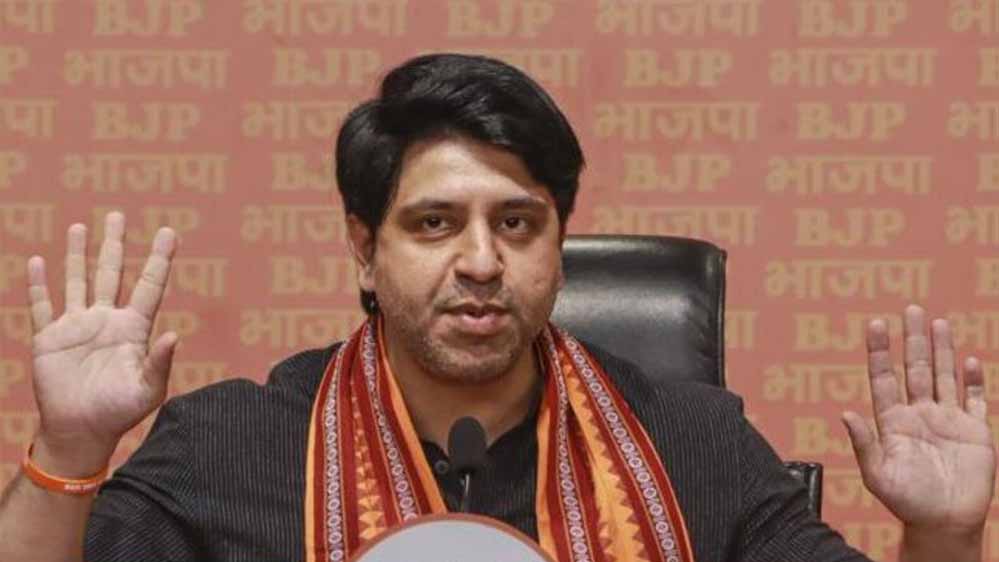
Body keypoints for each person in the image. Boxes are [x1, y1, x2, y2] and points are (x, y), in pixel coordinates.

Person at [0, 53, 994, 562]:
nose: (480, 262)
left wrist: (946, 539)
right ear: (364, 247)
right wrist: (70, 447)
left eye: (517, 223)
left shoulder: (691, 441)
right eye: (434, 224)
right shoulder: (231, 443)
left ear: (558, 242)